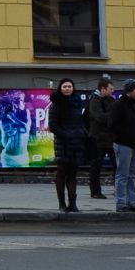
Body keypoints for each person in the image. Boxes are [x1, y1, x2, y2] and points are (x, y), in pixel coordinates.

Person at [48, 77, 86, 214]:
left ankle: (73, 204)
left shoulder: (77, 103)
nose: (67, 88)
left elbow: (80, 122)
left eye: (69, 86)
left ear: (73, 88)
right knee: (61, 173)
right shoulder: (56, 104)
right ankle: (62, 204)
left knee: (73, 175)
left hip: (76, 143)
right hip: (63, 144)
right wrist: (67, 134)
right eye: (65, 86)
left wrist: (82, 132)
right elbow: (53, 126)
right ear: (60, 88)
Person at [110, 79, 135, 214]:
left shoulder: (134, 105)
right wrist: (126, 137)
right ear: (129, 91)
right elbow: (113, 125)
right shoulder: (118, 105)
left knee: (132, 175)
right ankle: (121, 203)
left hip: (134, 145)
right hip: (123, 144)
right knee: (122, 175)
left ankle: (132, 202)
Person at [86, 77, 116, 201]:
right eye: (110, 89)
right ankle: (95, 191)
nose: (112, 91)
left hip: (111, 138)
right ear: (103, 89)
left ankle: (119, 190)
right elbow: (99, 117)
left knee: (118, 165)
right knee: (96, 166)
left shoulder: (111, 100)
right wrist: (113, 117)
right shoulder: (95, 100)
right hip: (97, 139)